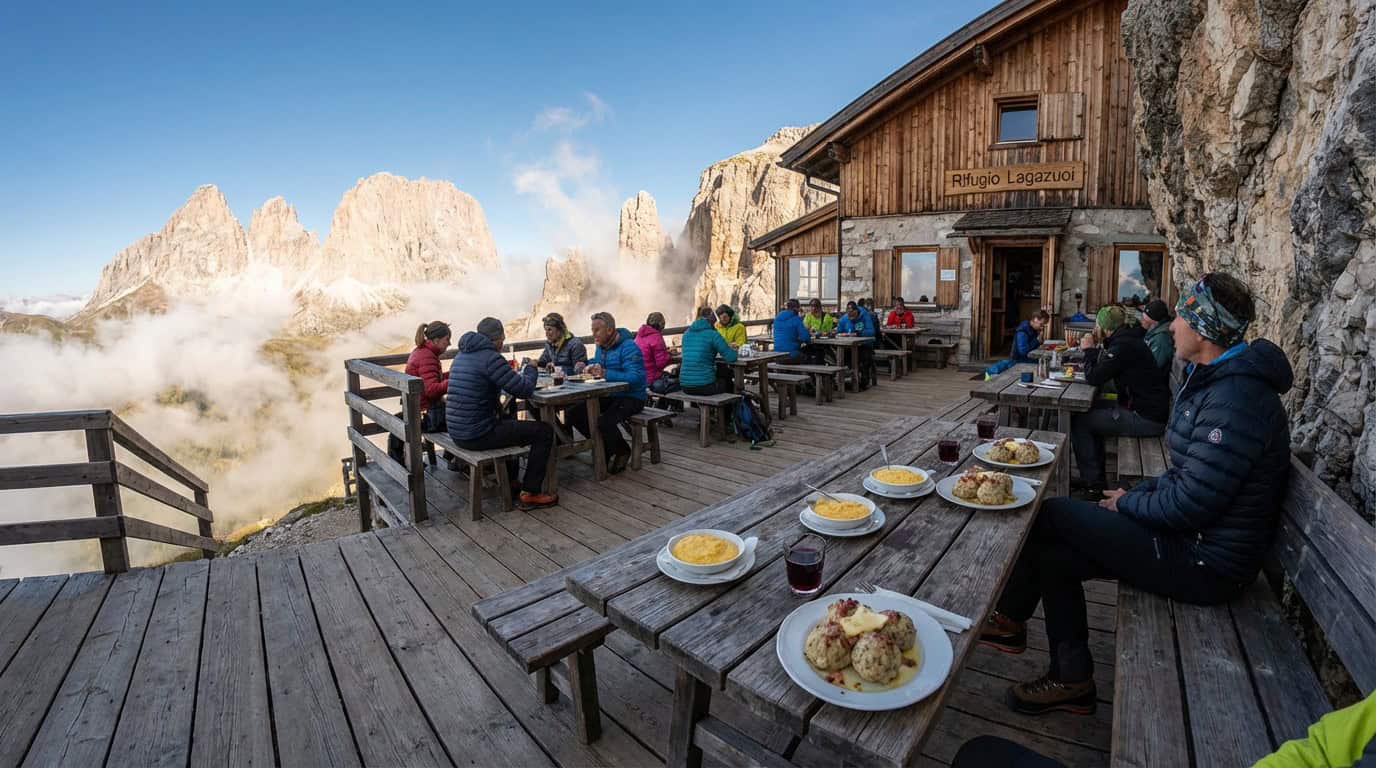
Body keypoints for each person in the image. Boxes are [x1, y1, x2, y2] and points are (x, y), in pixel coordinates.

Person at [979, 272, 1292, 717]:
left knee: (1052, 516)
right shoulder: (1220, 381)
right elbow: (1191, 478)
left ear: (1204, 330)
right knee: (1054, 555)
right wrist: (1137, 492)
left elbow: (1191, 504)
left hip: (1207, 564)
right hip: (1196, 542)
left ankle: (1009, 619)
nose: (1174, 325)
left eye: (1183, 315)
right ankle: (1071, 678)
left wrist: (1127, 502)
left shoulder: (1237, 399)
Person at [445, 318, 558, 509]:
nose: (503, 344)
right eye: (502, 339)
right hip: (477, 434)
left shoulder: (461, 355)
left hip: (458, 432)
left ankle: (512, 481)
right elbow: (524, 390)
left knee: (509, 422)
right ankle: (530, 492)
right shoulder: (490, 357)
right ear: (496, 339)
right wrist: (531, 367)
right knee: (544, 431)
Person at [1069, 304, 1171, 498]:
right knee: (1087, 411)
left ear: (1105, 328)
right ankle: (1096, 477)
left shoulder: (1123, 346)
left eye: (1097, 325)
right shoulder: (1127, 340)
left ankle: (1093, 487)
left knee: (1081, 422)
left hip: (1146, 418)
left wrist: (1089, 350)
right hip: (1145, 409)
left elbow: (1094, 377)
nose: (1095, 329)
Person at [566, 312, 646, 475]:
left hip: (632, 397)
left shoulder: (629, 346)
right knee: (574, 413)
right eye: (592, 330)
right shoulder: (600, 347)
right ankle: (604, 446)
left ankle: (622, 450)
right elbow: (599, 366)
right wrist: (587, 365)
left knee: (604, 422)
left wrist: (605, 373)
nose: (593, 334)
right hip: (610, 395)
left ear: (609, 330)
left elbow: (636, 377)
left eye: (597, 330)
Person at [389, 321, 453, 464]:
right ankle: (456, 459)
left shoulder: (421, 351)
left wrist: (452, 375)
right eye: (447, 339)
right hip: (428, 417)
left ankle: (454, 458)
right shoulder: (428, 357)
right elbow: (431, 391)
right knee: (463, 417)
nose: (449, 344)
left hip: (417, 411)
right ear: (436, 340)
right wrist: (455, 381)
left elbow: (430, 381)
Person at [680, 306, 738, 395]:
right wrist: (735, 349)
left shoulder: (686, 333)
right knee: (727, 380)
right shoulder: (712, 334)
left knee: (719, 372)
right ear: (712, 320)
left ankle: (701, 407)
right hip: (704, 386)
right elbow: (731, 357)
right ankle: (731, 408)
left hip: (685, 386)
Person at [981, 309, 1050, 379]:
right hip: (1019, 360)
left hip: (1026, 358)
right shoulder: (1023, 331)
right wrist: (1037, 341)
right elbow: (1022, 351)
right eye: (1041, 324)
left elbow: (1030, 346)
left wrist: (1039, 345)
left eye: (1043, 326)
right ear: (1035, 319)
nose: (1042, 327)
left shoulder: (1033, 329)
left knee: (1045, 364)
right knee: (1043, 367)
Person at [836, 300, 877, 389]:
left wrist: (858, 333)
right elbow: (838, 331)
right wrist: (840, 333)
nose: (851, 318)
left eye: (853, 315)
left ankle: (864, 381)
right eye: (849, 315)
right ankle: (841, 380)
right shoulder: (844, 318)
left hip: (865, 345)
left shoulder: (865, 316)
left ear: (856, 311)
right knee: (840, 356)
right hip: (849, 346)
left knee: (864, 356)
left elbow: (871, 332)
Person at [636, 312, 675, 394]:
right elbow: (661, 363)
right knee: (680, 382)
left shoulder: (639, 336)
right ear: (661, 324)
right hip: (652, 380)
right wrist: (669, 355)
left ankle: (665, 405)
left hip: (639, 379)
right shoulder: (656, 337)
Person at [1139, 298, 1175, 370]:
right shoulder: (1154, 332)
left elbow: (1150, 368)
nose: (1142, 322)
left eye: (1147, 322)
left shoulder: (1161, 339)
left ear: (1156, 323)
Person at [772, 298, 812, 363]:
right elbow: (805, 337)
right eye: (799, 308)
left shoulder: (777, 318)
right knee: (810, 356)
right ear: (796, 309)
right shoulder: (796, 319)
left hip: (777, 356)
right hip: (791, 355)